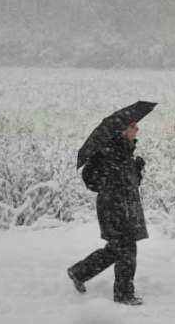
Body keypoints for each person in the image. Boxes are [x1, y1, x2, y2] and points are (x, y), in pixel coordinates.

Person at [67, 121, 148, 305]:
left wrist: (137, 169)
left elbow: (131, 183)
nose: (137, 130)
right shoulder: (109, 150)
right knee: (127, 250)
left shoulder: (125, 150)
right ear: (123, 130)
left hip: (124, 206)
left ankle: (80, 272)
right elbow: (91, 179)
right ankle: (123, 294)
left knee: (116, 249)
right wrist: (108, 186)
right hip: (114, 207)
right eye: (133, 126)